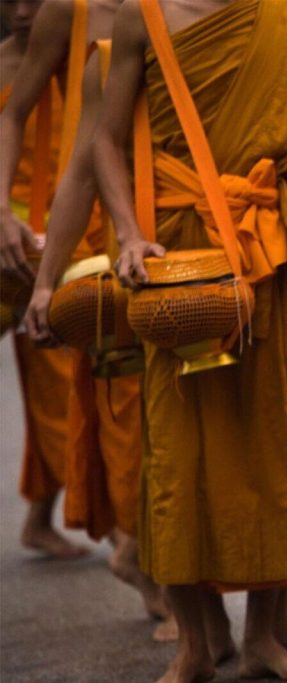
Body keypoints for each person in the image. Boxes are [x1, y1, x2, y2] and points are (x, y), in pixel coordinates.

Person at [94, 0, 287, 680]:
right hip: (175, 255)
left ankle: (263, 635)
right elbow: (106, 141)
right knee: (176, 452)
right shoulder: (139, 16)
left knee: (272, 439)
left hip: (269, 253)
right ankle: (196, 644)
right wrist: (125, 233)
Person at [0, 0, 122, 563]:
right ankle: (129, 540)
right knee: (60, 383)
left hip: (95, 219)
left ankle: (100, 527)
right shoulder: (60, 22)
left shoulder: (151, 16)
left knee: (71, 381)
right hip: (32, 234)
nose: (23, 11)